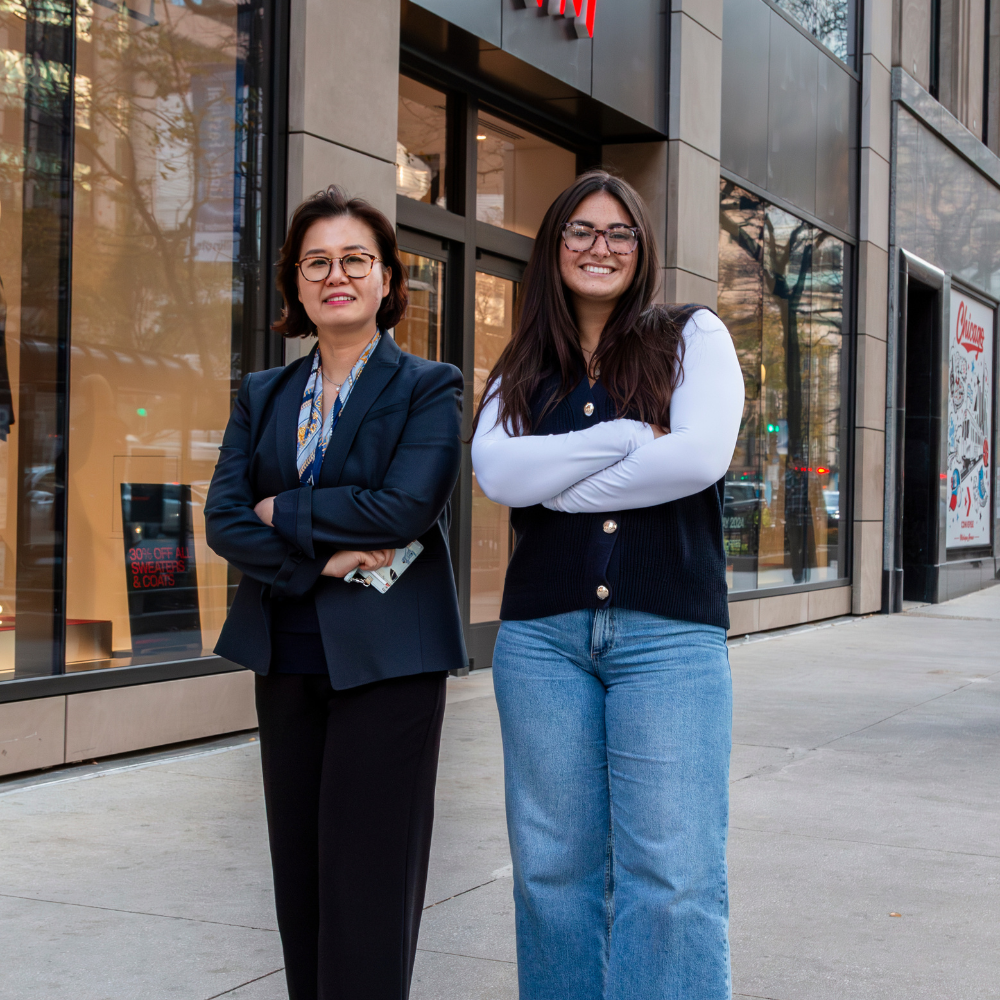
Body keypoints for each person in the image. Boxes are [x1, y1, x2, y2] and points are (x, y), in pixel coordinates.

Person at [470, 171, 745, 1000]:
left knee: (674, 874)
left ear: (642, 248)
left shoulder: (693, 334)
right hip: (541, 641)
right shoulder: (523, 362)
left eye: (619, 232)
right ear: (555, 248)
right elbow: (494, 469)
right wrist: (629, 437)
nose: (600, 247)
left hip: (669, 638)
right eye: (581, 231)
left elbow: (699, 457)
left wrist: (554, 481)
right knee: (551, 871)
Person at [205, 186, 466, 1000]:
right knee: (303, 877)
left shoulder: (429, 385)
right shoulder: (264, 394)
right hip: (285, 649)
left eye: (356, 259)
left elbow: (405, 506)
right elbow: (221, 519)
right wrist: (316, 560)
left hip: (391, 657)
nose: (336, 275)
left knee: (370, 877)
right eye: (316, 262)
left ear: (388, 279)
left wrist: (285, 509)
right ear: (297, 284)